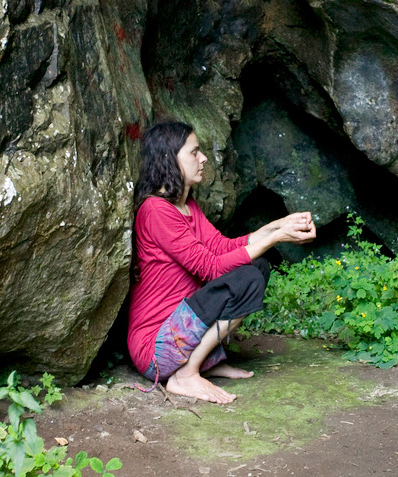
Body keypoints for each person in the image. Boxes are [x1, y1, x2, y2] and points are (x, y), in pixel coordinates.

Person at [127, 121, 316, 404]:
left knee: (257, 268)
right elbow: (211, 268)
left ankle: (205, 362)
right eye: (194, 152)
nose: (203, 158)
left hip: (181, 332)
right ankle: (185, 374)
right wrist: (276, 237)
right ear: (169, 158)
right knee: (247, 278)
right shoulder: (155, 211)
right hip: (155, 350)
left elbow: (221, 247)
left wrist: (278, 226)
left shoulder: (187, 207)